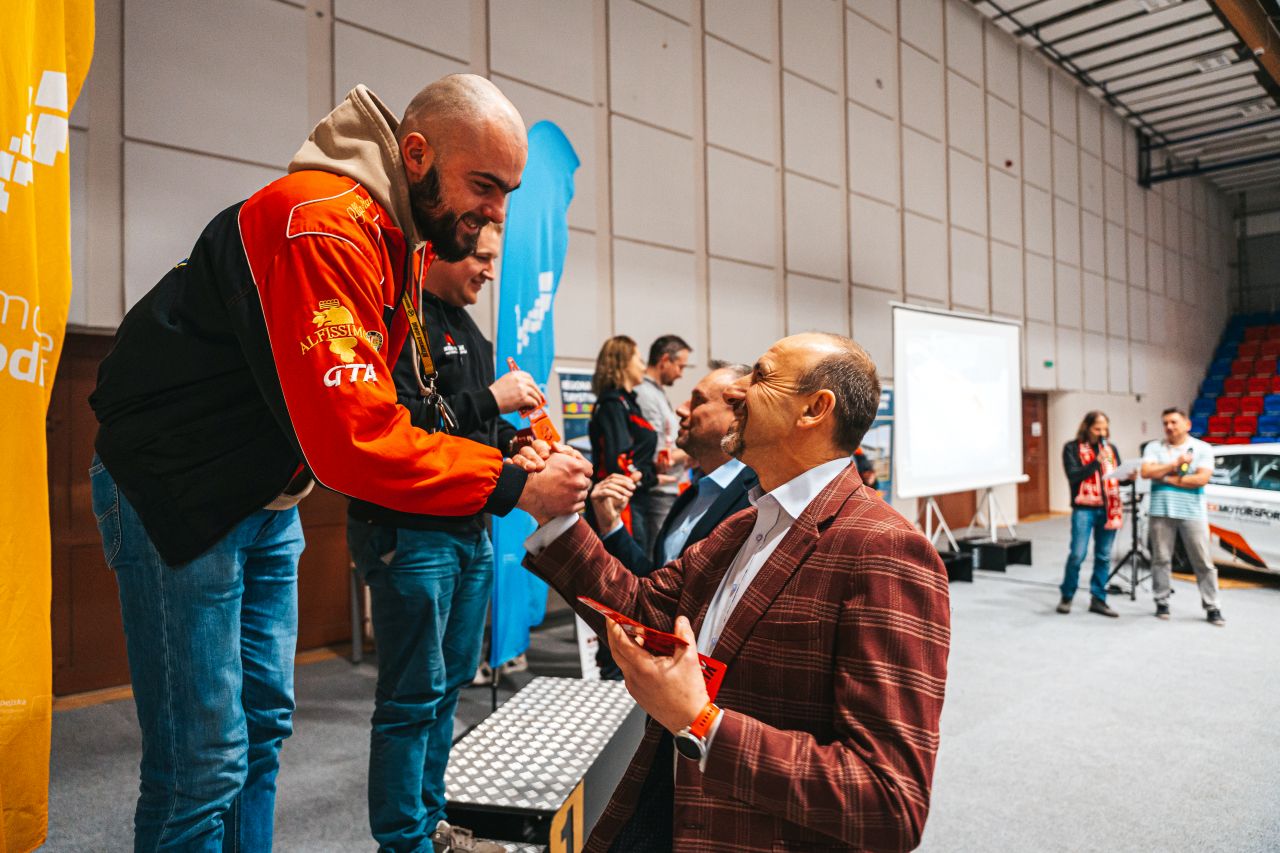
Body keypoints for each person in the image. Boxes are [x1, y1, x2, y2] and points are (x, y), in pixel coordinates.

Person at [87, 75, 591, 851]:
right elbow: (357, 439)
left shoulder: (392, 239)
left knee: (262, 729)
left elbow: (389, 411)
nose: (497, 213)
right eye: (484, 185)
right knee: (203, 763)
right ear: (415, 154)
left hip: (266, 497)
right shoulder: (323, 225)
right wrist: (515, 483)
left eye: (508, 193)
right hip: (178, 488)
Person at [523, 333, 951, 852]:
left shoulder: (884, 549)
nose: (735, 392)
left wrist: (704, 724)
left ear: (815, 409)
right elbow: (641, 611)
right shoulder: (746, 526)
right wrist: (555, 516)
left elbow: (888, 801)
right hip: (666, 810)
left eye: (761, 377)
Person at [345, 223, 539, 853]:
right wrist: (490, 399)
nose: (490, 270)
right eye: (480, 257)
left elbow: (467, 431)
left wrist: (513, 444)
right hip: (411, 532)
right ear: (436, 255)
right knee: (412, 697)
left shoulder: (470, 330)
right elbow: (397, 425)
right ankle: (404, 842)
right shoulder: (399, 320)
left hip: (470, 530)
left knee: (447, 688)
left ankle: (430, 828)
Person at [590, 361, 756, 576]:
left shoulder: (757, 499)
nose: (681, 409)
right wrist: (611, 525)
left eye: (699, 401)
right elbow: (656, 585)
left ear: (739, 414)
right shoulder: (691, 497)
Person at [1141, 407, 1225, 626]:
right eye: (1165, 423)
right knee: (1160, 558)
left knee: (1202, 561)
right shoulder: (1154, 447)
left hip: (1192, 512)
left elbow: (1201, 479)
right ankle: (1161, 602)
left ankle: (1212, 606)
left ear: (1187, 424)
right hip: (1160, 511)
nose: (1169, 427)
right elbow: (1146, 472)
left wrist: (1165, 477)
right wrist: (1174, 465)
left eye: (1174, 422)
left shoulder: (1202, 448)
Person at [588, 335, 658, 548]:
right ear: (623, 361)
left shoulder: (629, 403)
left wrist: (651, 472)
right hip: (620, 503)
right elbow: (619, 460)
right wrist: (644, 475)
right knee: (627, 561)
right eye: (639, 359)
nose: (644, 366)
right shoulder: (612, 404)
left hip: (636, 498)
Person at [1056, 411, 1124, 618]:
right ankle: (1067, 595)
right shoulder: (1071, 448)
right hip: (1084, 508)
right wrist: (1096, 462)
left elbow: (1117, 476)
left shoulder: (1111, 449)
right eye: (1097, 429)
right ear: (1086, 427)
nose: (1101, 433)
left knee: (1103, 556)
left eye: (1105, 429)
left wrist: (1129, 476)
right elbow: (1073, 476)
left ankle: (1098, 598)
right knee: (1078, 554)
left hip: (1108, 507)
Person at [632, 334, 692, 553]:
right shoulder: (645, 394)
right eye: (680, 366)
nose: (681, 373)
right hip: (657, 493)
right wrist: (693, 449)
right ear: (665, 360)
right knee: (659, 557)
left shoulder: (655, 393)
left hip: (665, 491)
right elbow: (658, 456)